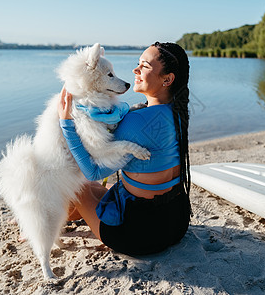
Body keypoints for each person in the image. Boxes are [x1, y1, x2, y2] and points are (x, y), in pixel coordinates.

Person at [58, 42, 191, 255]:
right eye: (137, 64)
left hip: (137, 234)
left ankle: (44, 224)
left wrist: (66, 123)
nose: (135, 70)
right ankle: (49, 218)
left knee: (80, 187)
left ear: (167, 79)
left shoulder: (135, 122)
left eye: (144, 66)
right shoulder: (177, 114)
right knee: (99, 190)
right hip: (176, 222)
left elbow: (92, 172)